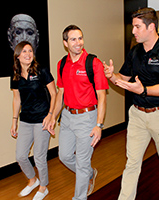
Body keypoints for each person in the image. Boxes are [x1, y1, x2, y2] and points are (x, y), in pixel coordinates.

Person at [103, 7, 159, 200]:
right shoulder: (135, 52)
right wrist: (111, 76)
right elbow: (124, 78)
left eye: (137, 27)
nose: (133, 31)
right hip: (137, 114)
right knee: (132, 162)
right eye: (133, 27)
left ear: (151, 27)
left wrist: (144, 90)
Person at [48, 25, 108, 200]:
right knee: (64, 156)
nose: (78, 43)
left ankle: (79, 197)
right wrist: (53, 116)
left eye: (80, 38)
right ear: (65, 43)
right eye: (73, 39)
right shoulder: (62, 64)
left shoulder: (93, 63)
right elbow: (60, 93)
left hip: (87, 118)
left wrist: (99, 125)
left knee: (82, 163)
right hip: (67, 116)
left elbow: (102, 96)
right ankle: (89, 173)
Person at [10, 41, 56, 200]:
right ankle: (33, 180)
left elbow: (54, 94)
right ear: (17, 56)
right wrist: (14, 120)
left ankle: (43, 187)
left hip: (42, 119)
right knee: (21, 156)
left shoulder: (41, 70)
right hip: (26, 120)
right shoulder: (15, 75)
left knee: (39, 156)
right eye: (24, 52)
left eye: (30, 51)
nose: (28, 54)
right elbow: (17, 99)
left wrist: (51, 115)